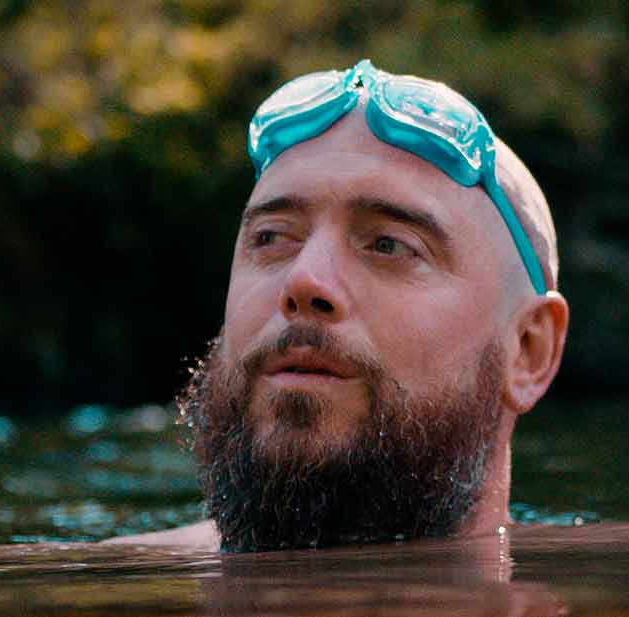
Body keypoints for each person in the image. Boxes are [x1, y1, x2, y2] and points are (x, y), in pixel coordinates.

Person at [108, 60, 569, 552]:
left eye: (389, 245)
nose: (305, 280)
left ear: (528, 351)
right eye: (271, 238)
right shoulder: (80, 586)